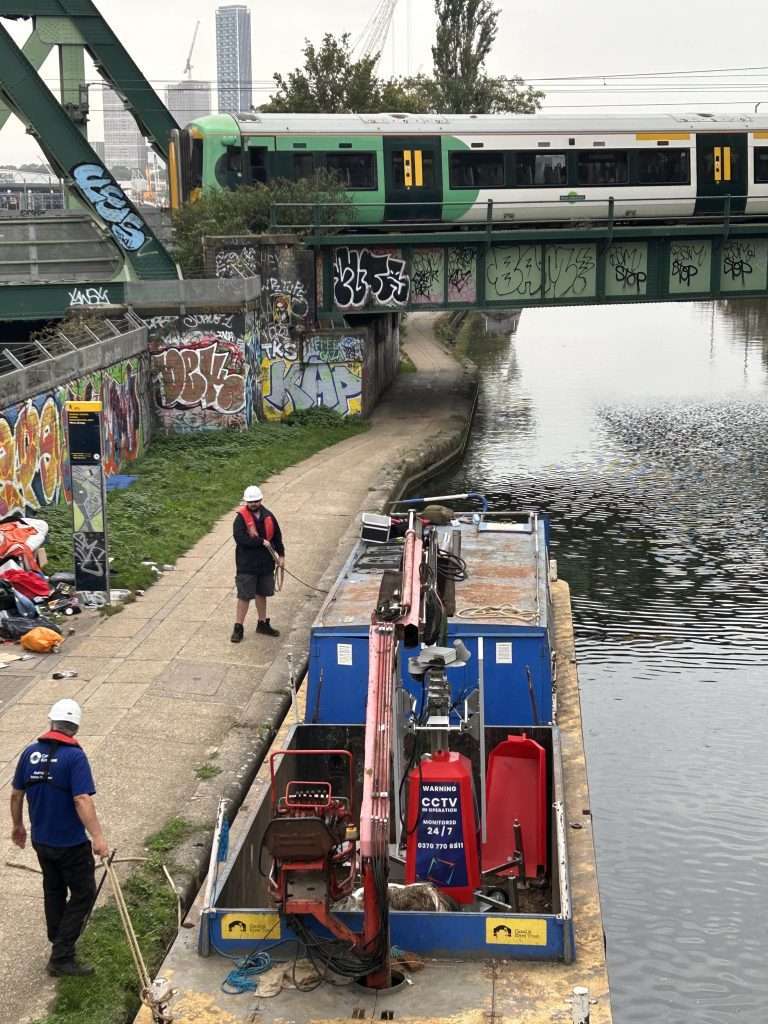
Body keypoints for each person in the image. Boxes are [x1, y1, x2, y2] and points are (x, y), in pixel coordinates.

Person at [9, 698, 108, 977]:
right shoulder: (74, 757)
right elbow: (81, 799)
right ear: (74, 728)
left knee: (53, 890)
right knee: (83, 894)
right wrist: (98, 837)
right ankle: (62, 955)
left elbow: (16, 794)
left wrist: (18, 826)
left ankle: (58, 938)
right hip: (70, 844)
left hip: (42, 840)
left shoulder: (30, 754)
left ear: (51, 722)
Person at [231, 484, 285, 642]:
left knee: (262, 594)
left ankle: (262, 623)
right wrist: (261, 541)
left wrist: (281, 555)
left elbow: (277, 536)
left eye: (256, 501)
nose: (254, 504)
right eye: (251, 501)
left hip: (265, 564)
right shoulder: (240, 519)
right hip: (247, 565)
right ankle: (238, 627)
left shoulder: (269, 516)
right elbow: (240, 539)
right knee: (244, 596)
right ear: (246, 502)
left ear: (260, 500)